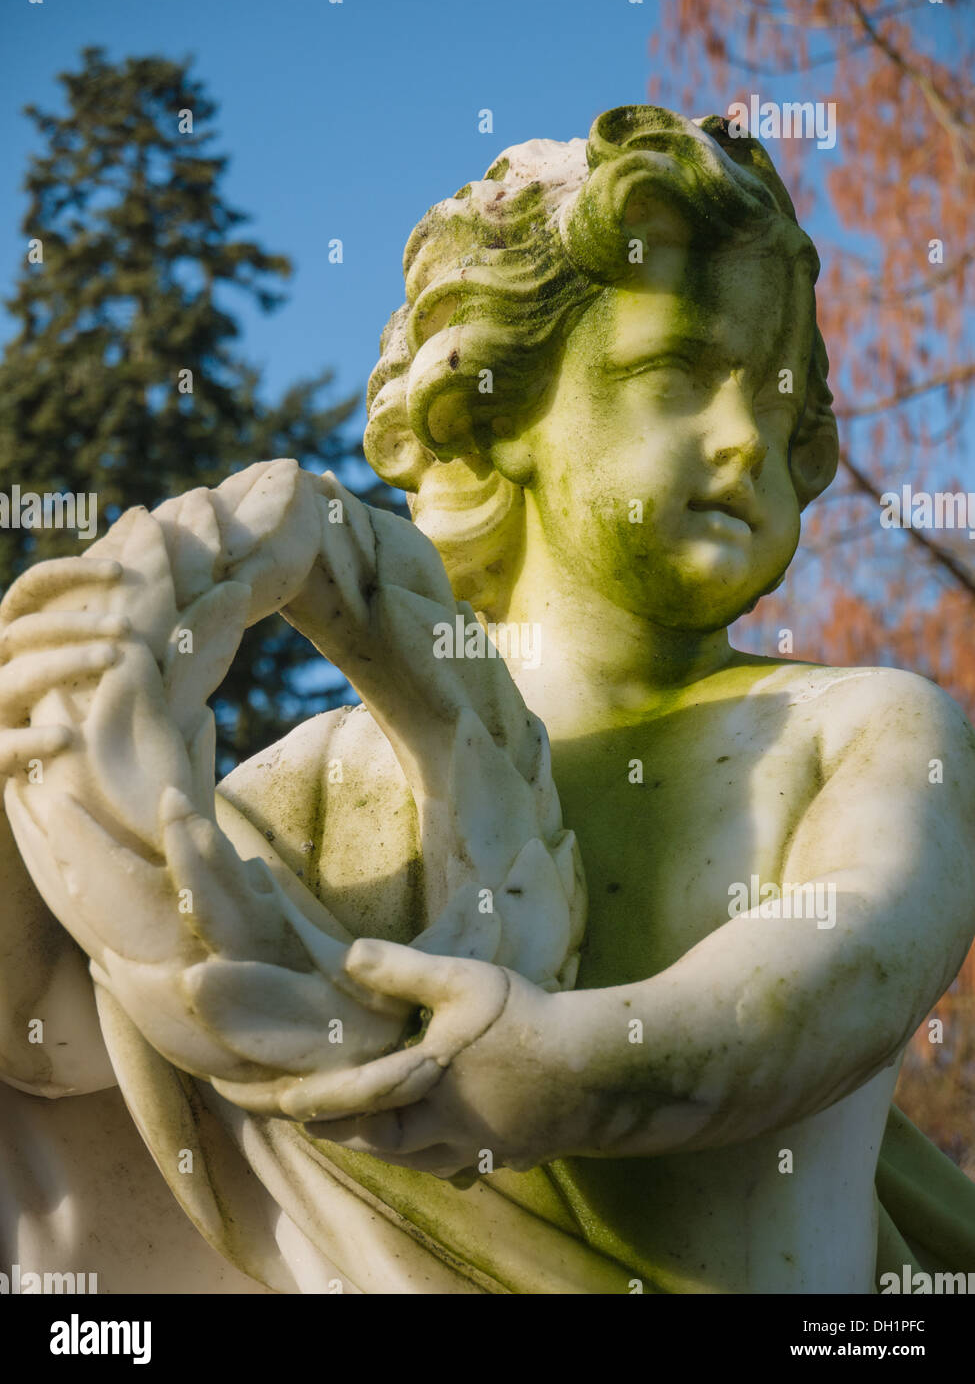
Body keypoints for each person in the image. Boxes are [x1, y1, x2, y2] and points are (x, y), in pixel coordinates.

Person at [1, 105, 974, 1294]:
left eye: (779, 412)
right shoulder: (317, 779)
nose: (744, 444)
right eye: (682, 373)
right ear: (484, 405)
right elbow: (54, 1026)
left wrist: (580, 1064)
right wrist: (39, 760)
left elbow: (852, 957)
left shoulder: (866, 725)